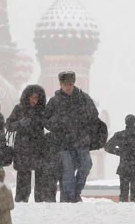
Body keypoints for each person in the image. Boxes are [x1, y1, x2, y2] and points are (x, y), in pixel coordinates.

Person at [44, 70, 99, 203]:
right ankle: (72, 197)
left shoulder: (83, 98)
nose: (67, 87)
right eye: (65, 84)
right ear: (60, 85)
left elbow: (94, 116)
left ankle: (75, 193)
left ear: (73, 83)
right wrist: (59, 123)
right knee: (67, 172)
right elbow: (46, 120)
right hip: (64, 143)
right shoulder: (55, 101)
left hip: (81, 141)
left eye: (69, 84)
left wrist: (82, 122)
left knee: (86, 165)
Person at [6, 84, 49, 202]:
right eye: (31, 97)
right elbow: (9, 125)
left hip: (39, 146)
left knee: (41, 175)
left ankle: (40, 201)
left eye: (36, 98)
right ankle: (21, 201)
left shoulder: (43, 110)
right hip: (22, 148)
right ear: (27, 97)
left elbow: (51, 124)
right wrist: (19, 124)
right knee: (23, 176)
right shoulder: (19, 109)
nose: (33, 100)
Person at [104, 114, 135, 203]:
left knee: (124, 192)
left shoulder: (120, 135)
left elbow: (107, 147)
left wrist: (119, 152)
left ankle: (124, 209)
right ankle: (134, 210)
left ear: (125, 122)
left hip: (124, 166)